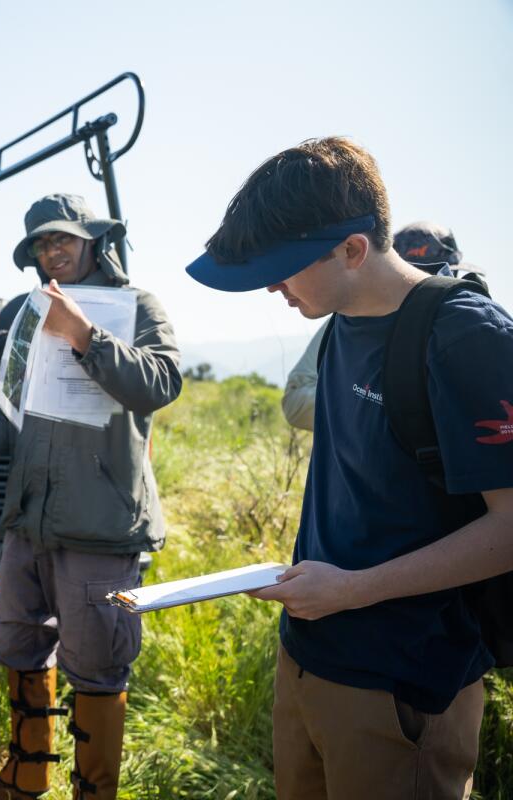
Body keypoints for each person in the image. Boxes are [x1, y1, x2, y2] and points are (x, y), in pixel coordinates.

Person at [185, 136, 513, 798]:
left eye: (283, 267)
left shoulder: (466, 336)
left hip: (402, 686)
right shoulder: (338, 319)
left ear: (353, 249)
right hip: (308, 660)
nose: (272, 285)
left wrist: (350, 591)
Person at [0, 194, 182, 800]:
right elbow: (7, 415)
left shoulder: (137, 306)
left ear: (94, 240)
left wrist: (85, 336)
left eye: (62, 239)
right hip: (28, 524)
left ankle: (93, 794)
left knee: (97, 665)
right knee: (18, 642)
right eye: (40, 245)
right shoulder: (27, 315)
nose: (51, 252)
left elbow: (161, 383)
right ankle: (24, 778)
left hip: (100, 527)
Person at [281, 221, 486, 430]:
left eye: (444, 275)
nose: (438, 284)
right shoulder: (349, 320)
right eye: (422, 276)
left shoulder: (475, 329)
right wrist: (371, 401)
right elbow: (294, 401)